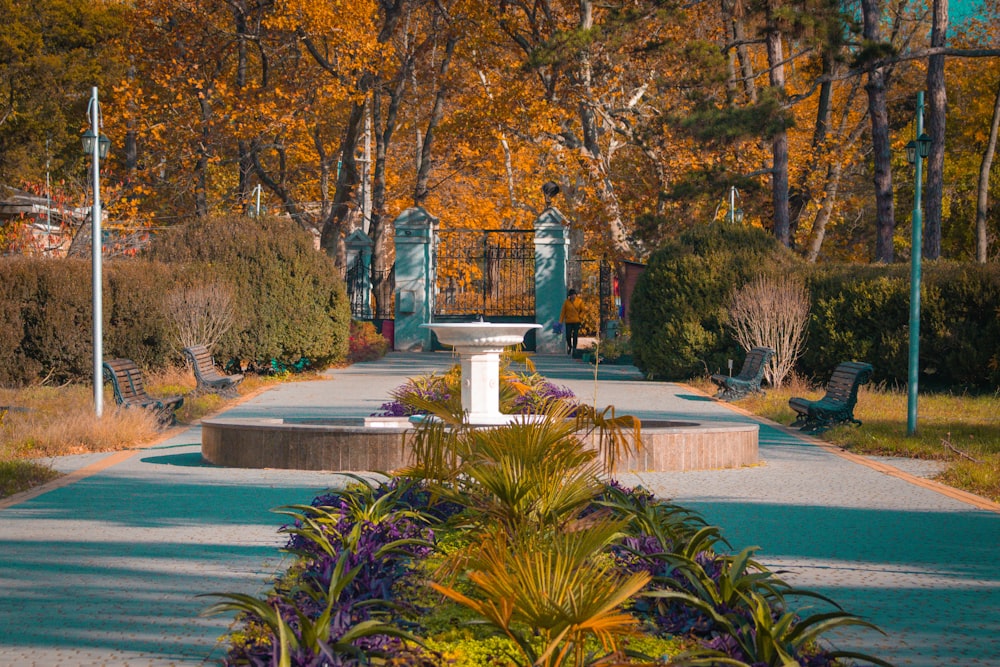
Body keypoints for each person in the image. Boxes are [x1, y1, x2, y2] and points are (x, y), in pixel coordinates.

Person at [559, 288, 584, 356]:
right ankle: (570, 346)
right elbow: (563, 312)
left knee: (575, 335)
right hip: (568, 321)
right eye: (571, 295)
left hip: (576, 321)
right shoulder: (566, 302)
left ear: (576, 295)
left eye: (574, 295)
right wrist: (560, 321)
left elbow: (583, 310)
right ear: (569, 296)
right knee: (568, 335)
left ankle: (575, 348)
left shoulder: (579, 301)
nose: (573, 296)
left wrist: (580, 317)